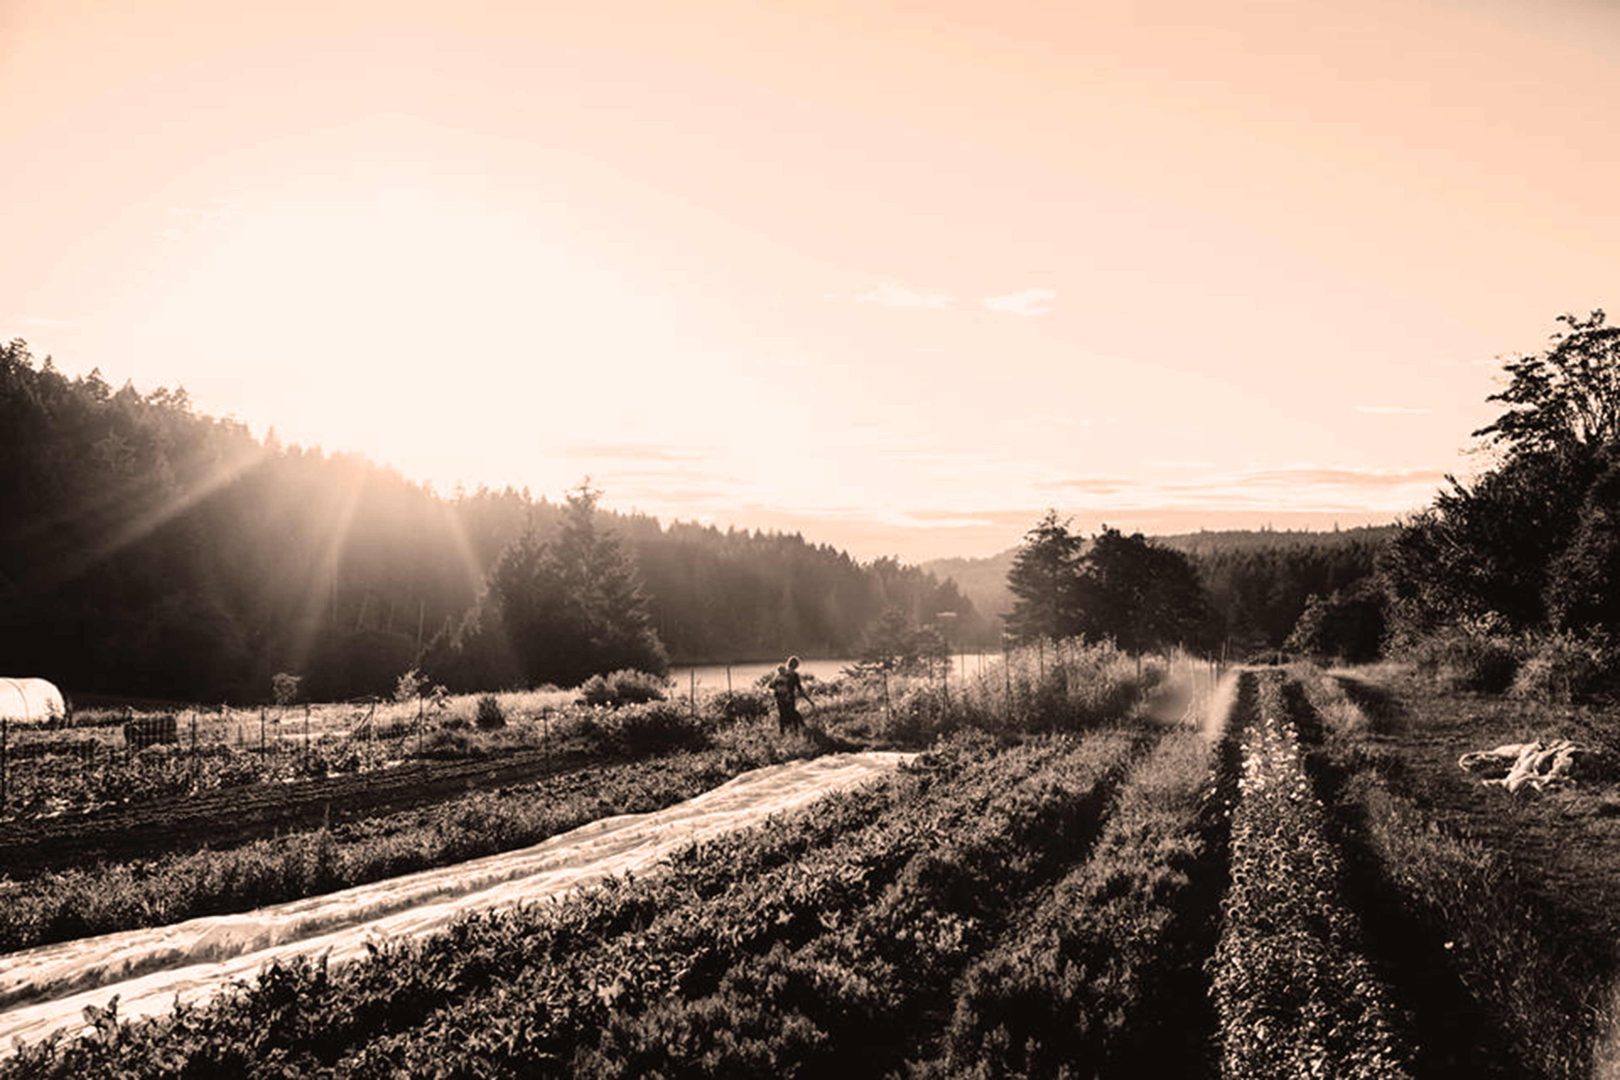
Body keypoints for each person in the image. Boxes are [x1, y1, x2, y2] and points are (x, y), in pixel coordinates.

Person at [770, 655, 814, 734]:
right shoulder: (794, 675)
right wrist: (809, 700)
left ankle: (782, 733)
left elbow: (772, 685)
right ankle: (798, 731)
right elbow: (800, 689)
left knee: (783, 715)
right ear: (797, 666)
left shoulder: (781, 673)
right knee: (793, 715)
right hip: (790, 698)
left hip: (780, 698)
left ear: (788, 663)